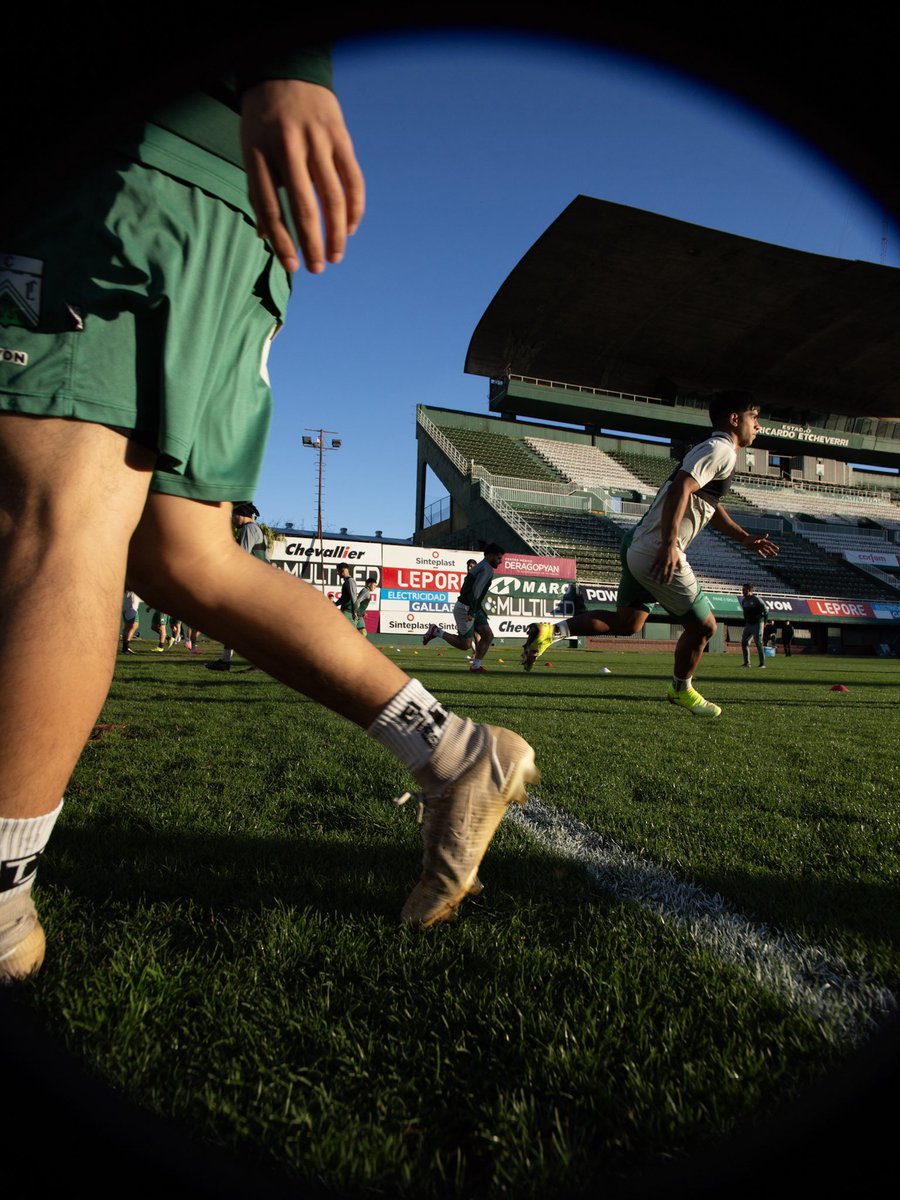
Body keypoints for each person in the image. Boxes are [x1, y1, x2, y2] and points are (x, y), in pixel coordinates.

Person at [0, 50, 539, 982]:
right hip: (215, 204)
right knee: (184, 555)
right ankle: (454, 753)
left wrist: (285, 65)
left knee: (57, 520)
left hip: (133, 169)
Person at [521, 392, 779, 716]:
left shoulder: (714, 451)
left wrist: (743, 537)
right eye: (754, 417)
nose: (758, 425)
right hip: (657, 548)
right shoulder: (721, 449)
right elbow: (681, 487)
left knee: (628, 622)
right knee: (705, 628)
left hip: (637, 543)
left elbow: (707, 502)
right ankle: (680, 690)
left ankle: (552, 631)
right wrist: (670, 544)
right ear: (734, 419)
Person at [422, 543, 504, 673]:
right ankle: (436, 631)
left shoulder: (480, 566)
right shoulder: (487, 568)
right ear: (491, 555)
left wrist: (475, 609)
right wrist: (472, 610)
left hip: (474, 607)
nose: (500, 561)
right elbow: (476, 590)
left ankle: (476, 666)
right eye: (499, 558)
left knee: (488, 635)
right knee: (465, 644)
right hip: (466, 608)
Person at [207, 502, 268, 671]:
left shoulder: (248, 529)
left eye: (233, 515)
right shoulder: (254, 529)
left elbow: (241, 556)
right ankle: (226, 661)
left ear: (241, 515)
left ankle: (255, 663)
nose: (232, 519)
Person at [739, 583, 768, 668]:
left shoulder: (757, 600)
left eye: (744, 590)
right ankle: (747, 663)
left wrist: (764, 622)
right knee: (744, 642)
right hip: (749, 624)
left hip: (758, 624)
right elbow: (745, 612)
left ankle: (762, 664)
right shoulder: (744, 600)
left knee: (758, 642)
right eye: (742, 590)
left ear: (749, 590)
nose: (742, 591)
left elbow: (766, 611)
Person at [335, 563, 360, 627]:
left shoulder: (350, 581)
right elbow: (343, 598)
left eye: (338, 571)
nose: (338, 573)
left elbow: (354, 597)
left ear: (343, 570)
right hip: (345, 612)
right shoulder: (346, 582)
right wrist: (334, 604)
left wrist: (355, 611)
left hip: (349, 613)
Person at [121, 590, 141, 654]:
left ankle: (125, 647)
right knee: (133, 626)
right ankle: (126, 646)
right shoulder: (134, 588)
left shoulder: (129, 588)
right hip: (132, 609)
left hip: (126, 608)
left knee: (127, 627)